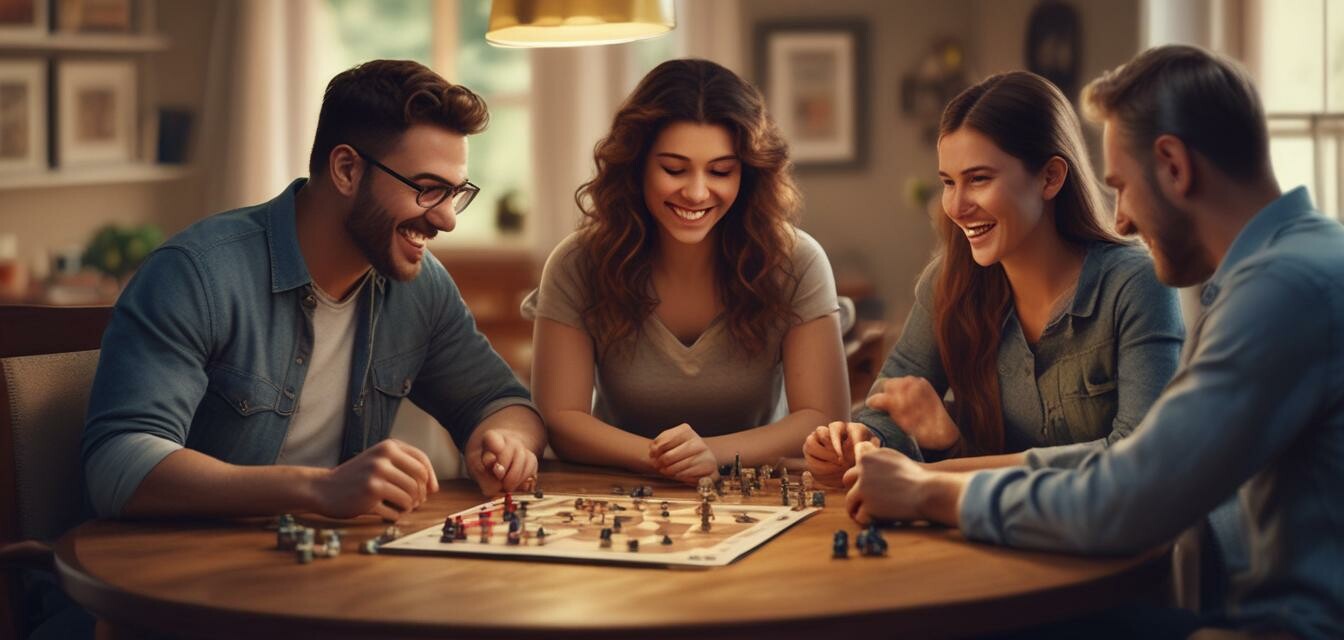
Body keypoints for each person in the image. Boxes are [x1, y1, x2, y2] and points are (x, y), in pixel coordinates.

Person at [844, 45, 1344, 639]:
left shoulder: (1281, 291)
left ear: (1174, 166)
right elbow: (1139, 463)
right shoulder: (1301, 260)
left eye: (1122, 187)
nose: (1123, 219)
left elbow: (1130, 496)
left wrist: (933, 492)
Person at [81, 60, 546, 521]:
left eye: (456, 193)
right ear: (346, 169)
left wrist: (504, 443)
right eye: (427, 190)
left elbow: (503, 403)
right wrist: (315, 489)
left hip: (333, 569)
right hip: (182, 573)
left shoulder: (420, 287)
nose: (447, 219)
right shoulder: (196, 275)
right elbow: (119, 465)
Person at [805, 71, 1183, 485]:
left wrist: (942, 464)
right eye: (948, 182)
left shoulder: (1136, 285)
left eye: (979, 179)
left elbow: (1138, 457)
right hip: (998, 537)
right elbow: (886, 408)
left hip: (1122, 545)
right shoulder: (947, 282)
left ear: (1051, 178)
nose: (957, 205)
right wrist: (862, 440)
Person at [526, 58, 849, 483]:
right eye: (674, 169)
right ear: (637, 165)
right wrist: (664, 459)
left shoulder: (797, 261)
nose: (696, 192)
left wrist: (712, 455)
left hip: (753, 494)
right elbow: (560, 419)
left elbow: (822, 418)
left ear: (748, 174)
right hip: (621, 493)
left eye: (720, 171)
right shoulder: (576, 264)